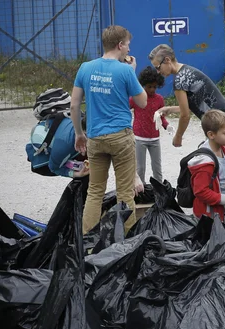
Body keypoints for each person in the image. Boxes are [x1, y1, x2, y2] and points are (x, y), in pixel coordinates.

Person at [71, 25, 147, 234]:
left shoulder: (85, 68)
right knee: (125, 193)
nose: (129, 51)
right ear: (120, 45)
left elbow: (74, 105)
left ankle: (87, 241)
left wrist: (79, 133)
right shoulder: (124, 70)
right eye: (128, 46)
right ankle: (127, 241)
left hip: (95, 138)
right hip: (121, 138)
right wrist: (132, 73)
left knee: (94, 191)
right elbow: (142, 102)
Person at [148, 44, 225, 147]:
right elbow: (195, 105)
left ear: (167, 60)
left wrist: (178, 136)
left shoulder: (179, 81)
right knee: (215, 155)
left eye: (158, 67)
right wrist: (169, 109)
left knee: (213, 157)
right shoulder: (186, 70)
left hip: (220, 123)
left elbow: (185, 115)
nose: (158, 72)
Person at [188, 109, 225, 221]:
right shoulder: (205, 162)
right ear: (211, 134)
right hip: (206, 215)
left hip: (219, 210)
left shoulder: (224, 149)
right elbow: (200, 191)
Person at [131, 66, 168, 184]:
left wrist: (167, 126)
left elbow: (161, 117)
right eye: (149, 86)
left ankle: (160, 191)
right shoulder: (136, 98)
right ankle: (141, 192)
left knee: (157, 168)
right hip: (139, 138)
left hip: (155, 139)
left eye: (155, 87)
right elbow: (124, 108)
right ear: (143, 84)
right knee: (140, 168)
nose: (152, 89)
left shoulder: (159, 99)